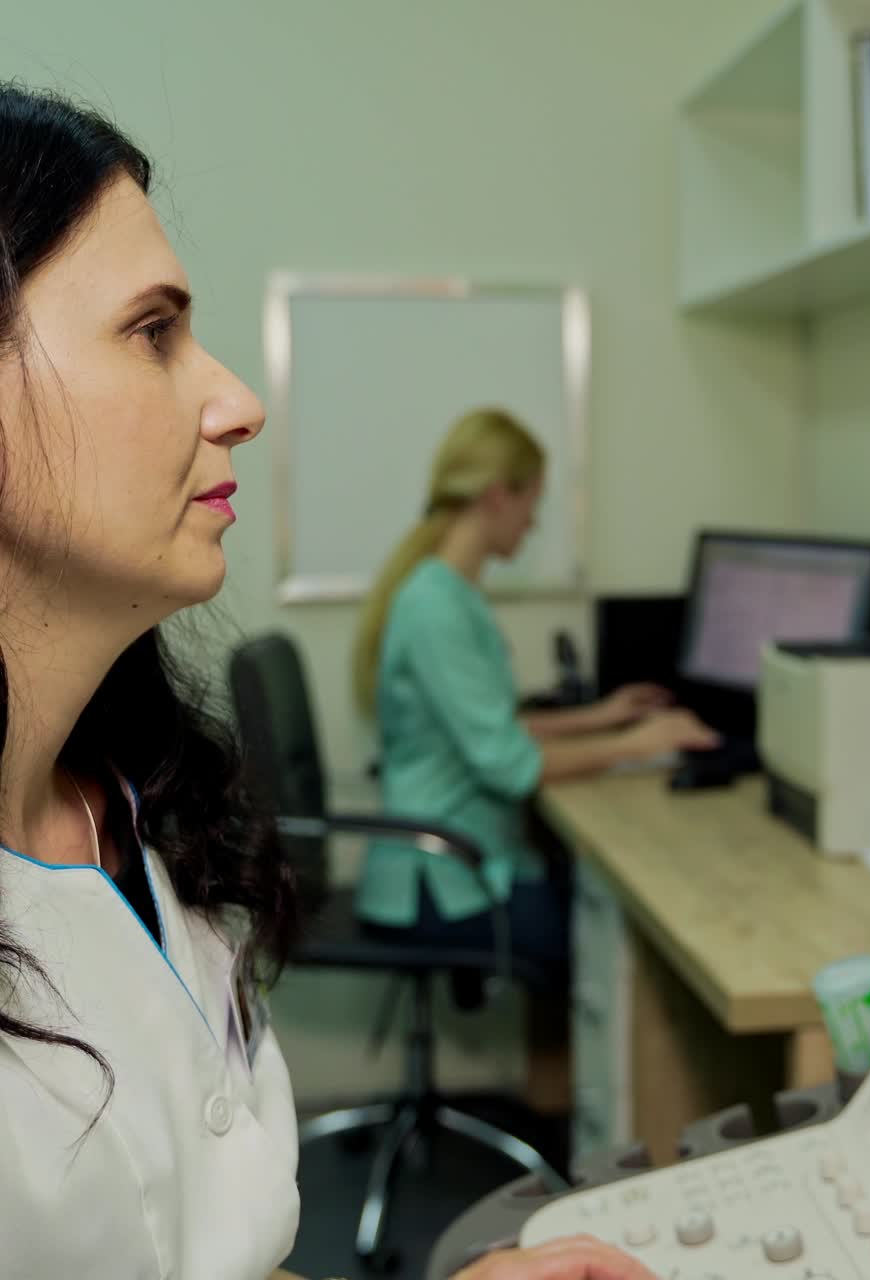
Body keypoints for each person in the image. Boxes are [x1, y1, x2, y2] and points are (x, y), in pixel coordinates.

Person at [0, 82, 657, 1280]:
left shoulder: (130, 817)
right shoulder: (435, 598)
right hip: (439, 868)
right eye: (154, 331)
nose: (240, 401)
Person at [351, 409, 718, 966]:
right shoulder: (435, 606)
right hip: (443, 879)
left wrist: (602, 717)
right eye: (533, 504)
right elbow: (508, 764)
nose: (534, 523)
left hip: (464, 858)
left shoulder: (449, 591)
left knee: (601, 901)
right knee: (618, 934)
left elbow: (489, 722)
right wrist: (641, 745)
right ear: (500, 496)